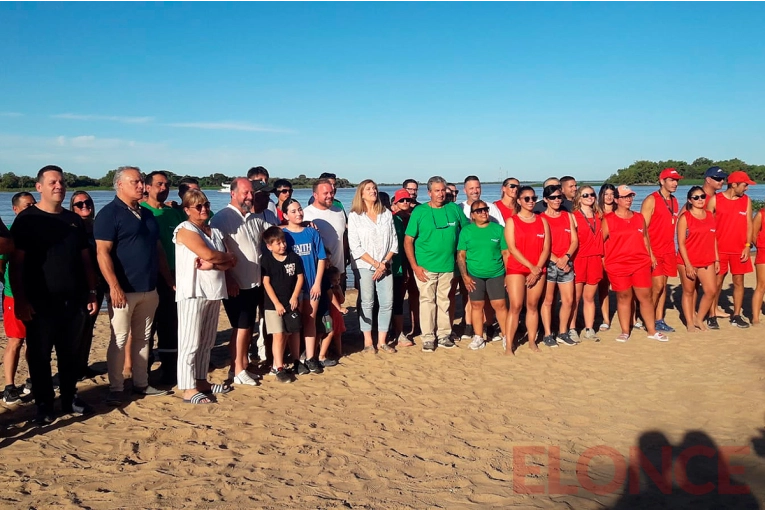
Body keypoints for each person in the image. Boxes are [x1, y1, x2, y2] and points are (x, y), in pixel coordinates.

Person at [10, 165, 99, 424]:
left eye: (61, 181)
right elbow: (16, 264)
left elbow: (85, 260)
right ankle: (44, 404)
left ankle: (70, 397)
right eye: (52, 182)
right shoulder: (27, 220)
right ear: (39, 187)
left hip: (74, 299)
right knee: (39, 356)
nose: (58, 186)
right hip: (39, 301)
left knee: (69, 353)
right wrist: (21, 300)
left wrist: (92, 291)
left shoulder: (73, 220)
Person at [95, 166, 173, 405]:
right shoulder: (109, 214)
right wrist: (114, 286)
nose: (141, 186)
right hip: (124, 290)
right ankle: (116, 387)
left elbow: (158, 249)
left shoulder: (147, 214)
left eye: (141, 182)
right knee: (119, 338)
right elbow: (102, 252)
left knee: (144, 338)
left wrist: (168, 280)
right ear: (119, 184)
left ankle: (141, 383)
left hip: (149, 287)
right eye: (135, 182)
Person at [174, 189, 237, 403]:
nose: (203, 209)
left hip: (214, 291)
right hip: (193, 292)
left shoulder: (215, 232)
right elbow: (209, 253)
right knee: (189, 342)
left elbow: (231, 261)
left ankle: (201, 380)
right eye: (198, 206)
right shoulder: (184, 229)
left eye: (206, 205)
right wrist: (218, 258)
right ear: (187, 210)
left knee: (206, 341)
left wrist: (215, 262)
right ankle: (188, 387)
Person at [210, 177, 269, 385]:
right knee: (241, 327)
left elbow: (271, 235)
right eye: (245, 193)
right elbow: (217, 252)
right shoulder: (221, 218)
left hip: (254, 282)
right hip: (236, 284)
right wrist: (228, 278)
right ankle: (237, 369)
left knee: (245, 327)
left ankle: (242, 364)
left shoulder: (254, 217)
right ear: (233, 194)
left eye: (251, 193)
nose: (250, 197)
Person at [404, 176, 468, 352]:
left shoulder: (453, 208)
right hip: (426, 267)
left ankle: (444, 335)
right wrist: (415, 266)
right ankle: (428, 338)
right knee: (427, 302)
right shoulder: (420, 211)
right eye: (437, 191)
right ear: (429, 192)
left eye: (443, 190)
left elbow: (467, 232)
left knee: (445, 301)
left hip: (449, 266)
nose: (441, 194)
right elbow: (408, 240)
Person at [602, 185, 668, 342]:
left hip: (640, 263)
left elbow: (645, 237)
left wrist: (651, 256)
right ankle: (625, 331)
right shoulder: (608, 220)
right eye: (625, 197)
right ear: (616, 200)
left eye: (630, 196)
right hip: (618, 265)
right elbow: (600, 242)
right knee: (624, 297)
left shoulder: (639, 217)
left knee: (645, 297)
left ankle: (652, 331)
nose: (629, 199)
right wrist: (605, 263)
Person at [140, 171, 186, 384]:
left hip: (177, 275)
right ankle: (143, 370)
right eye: (159, 184)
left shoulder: (173, 213)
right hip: (152, 276)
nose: (163, 188)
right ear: (147, 187)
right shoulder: (141, 212)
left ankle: (170, 369)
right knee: (148, 326)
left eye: (166, 185)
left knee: (171, 324)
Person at [348, 180, 398, 354]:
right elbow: (355, 246)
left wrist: (383, 263)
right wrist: (375, 264)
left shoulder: (386, 214)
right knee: (367, 302)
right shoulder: (355, 216)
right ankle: (368, 341)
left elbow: (394, 242)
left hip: (385, 265)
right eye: (368, 189)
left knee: (386, 303)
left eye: (374, 188)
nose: (373, 191)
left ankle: (382, 341)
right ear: (361, 194)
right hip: (364, 265)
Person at [282, 199, 327, 372]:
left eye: (299, 209)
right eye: (293, 211)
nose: (298, 213)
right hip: (293, 287)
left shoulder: (312, 233)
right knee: (295, 323)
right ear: (285, 215)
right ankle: (295, 359)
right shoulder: (284, 235)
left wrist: (317, 282)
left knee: (310, 320)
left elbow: (322, 258)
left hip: (311, 283)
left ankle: (310, 357)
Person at [457, 200, 509, 350]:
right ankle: (478, 336)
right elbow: (461, 255)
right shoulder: (466, 231)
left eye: (485, 209)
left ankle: (506, 336)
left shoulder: (498, 229)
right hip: (474, 274)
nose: (483, 212)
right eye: (478, 211)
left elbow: (505, 253)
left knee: (499, 305)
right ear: (472, 215)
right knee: (476, 305)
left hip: (496, 273)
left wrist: (508, 274)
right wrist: (465, 276)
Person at [706, 171, 756, 329]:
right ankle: (712, 314)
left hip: (740, 249)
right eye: (745, 185)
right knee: (717, 282)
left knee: (739, 281)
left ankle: (736, 315)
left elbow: (749, 224)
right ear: (734, 185)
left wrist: (748, 246)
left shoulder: (746, 201)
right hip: (719, 250)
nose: (747, 188)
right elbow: (706, 226)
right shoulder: (715, 200)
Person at [504, 186, 550, 353]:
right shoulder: (512, 221)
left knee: (532, 305)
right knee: (515, 306)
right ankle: (509, 345)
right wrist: (531, 267)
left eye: (533, 198)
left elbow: (546, 248)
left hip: (538, 269)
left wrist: (536, 269)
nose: (531, 202)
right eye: (527, 199)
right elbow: (512, 248)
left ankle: (532, 341)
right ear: (519, 201)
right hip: (517, 268)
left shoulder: (542, 220)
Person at [1, 192, 36, 404]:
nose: (31, 208)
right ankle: (9, 386)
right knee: (15, 341)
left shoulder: (36, 230)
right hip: (14, 296)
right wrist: (9, 287)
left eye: (33, 204)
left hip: (37, 294)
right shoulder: (11, 233)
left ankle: (33, 380)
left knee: (35, 342)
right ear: (15, 209)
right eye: (26, 205)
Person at [69, 191, 107, 380]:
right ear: (72, 208)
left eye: (87, 202)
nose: (85, 206)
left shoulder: (98, 226)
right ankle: (73, 369)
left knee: (89, 327)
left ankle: (83, 366)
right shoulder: (71, 228)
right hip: (79, 286)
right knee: (77, 328)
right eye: (79, 204)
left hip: (98, 284)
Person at [640, 168, 682, 333]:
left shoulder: (674, 201)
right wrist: (649, 253)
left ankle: (659, 319)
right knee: (656, 286)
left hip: (669, 249)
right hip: (654, 249)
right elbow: (642, 229)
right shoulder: (651, 200)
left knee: (663, 286)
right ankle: (648, 318)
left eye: (676, 180)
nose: (675, 183)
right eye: (671, 180)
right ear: (662, 181)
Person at [261, 226, 304, 383]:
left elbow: (300, 278)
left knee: (287, 333)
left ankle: (278, 363)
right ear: (269, 246)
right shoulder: (266, 260)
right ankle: (278, 367)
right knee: (277, 334)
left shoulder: (293, 257)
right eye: (278, 243)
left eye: (283, 242)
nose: (282, 245)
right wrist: (277, 303)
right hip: (273, 305)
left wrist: (294, 297)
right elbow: (266, 283)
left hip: (290, 302)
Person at [540, 184, 579, 347]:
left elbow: (575, 240)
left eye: (559, 197)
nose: (557, 200)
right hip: (549, 263)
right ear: (545, 200)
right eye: (553, 198)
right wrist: (557, 260)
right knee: (548, 300)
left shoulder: (567, 216)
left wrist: (566, 257)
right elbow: (541, 245)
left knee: (568, 300)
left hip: (566, 262)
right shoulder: (541, 218)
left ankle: (563, 332)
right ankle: (548, 334)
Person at [676, 186, 719, 332]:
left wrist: (717, 259)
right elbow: (681, 242)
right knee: (688, 292)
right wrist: (688, 264)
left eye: (702, 197)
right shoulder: (685, 217)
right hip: (688, 260)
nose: (700, 200)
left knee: (711, 291)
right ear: (690, 200)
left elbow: (713, 239)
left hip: (707, 260)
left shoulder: (710, 215)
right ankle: (689, 322)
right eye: (696, 197)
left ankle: (699, 319)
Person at [569, 186, 604, 341]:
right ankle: (572, 328)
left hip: (595, 259)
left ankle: (589, 329)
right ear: (579, 198)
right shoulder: (574, 216)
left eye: (592, 194)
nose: (590, 197)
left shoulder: (599, 215)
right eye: (586, 195)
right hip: (579, 259)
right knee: (575, 297)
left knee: (589, 297)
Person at [303, 178, 348, 287]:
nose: (330, 196)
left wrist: (345, 264)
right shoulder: (306, 214)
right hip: (318, 271)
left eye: (331, 192)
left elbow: (343, 238)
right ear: (315, 195)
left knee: (340, 301)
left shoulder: (339, 211)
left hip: (339, 270)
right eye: (325, 193)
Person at [391, 189, 420, 344]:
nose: (405, 203)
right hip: (399, 264)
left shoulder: (415, 217)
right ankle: (398, 331)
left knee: (416, 295)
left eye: (407, 200)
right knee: (398, 298)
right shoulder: (392, 219)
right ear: (395, 203)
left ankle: (417, 327)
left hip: (415, 261)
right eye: (401, 201)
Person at [317, 266, 347, 364]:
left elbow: (342, 300)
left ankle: (339, 352)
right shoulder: (328, 290)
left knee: (337, 334)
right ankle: (324, 352)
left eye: (338, 279)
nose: (337, 282)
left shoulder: (338, 288)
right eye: (334, 280)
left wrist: (339, 291)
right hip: (328, 315)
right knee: (327, 332)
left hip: (337, 316)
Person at [597, 183, 617, 331]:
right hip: (602, 254)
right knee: (604, 288)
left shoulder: (620, 211)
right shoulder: (596, 213)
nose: (609, 197)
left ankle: (633, 318)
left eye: (612, 194)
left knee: (626, 288)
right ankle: (606, 319)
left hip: (618, 253)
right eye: (606, 194)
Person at [751, 203, 765, 325]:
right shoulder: (761, 214)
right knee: (761, 285)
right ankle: (755, 317)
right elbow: (753, 234)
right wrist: (760, 247)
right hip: (763, 253)